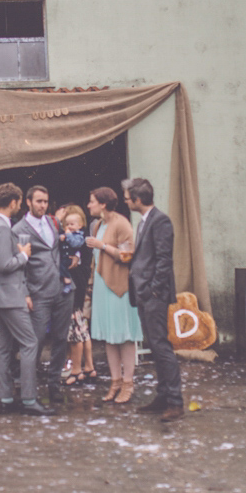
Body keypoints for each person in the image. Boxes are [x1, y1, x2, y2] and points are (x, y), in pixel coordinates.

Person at [0, 182, 52, 416]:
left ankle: (6, 398)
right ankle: (30, 399)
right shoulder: (2, 228)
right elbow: (4, 264)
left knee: (3, 347)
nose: (20, 207)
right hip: (9, 296)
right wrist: (23, 255)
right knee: (30, 343)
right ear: (13, 203)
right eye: (19, 203)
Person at [124, 178, 185, 422]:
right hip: (144, 294)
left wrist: (154, 291)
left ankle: (174, 401)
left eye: (129, 198)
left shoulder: (160, 221)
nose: (127, 202)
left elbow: (163, 259)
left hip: (152, 296)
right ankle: (163, 397)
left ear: (138, 200)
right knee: (156, 347)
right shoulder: (144, 222)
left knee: (161, 346)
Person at [14, 185, 72, 404]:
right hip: (38, 291)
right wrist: (25, 292)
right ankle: (27, 386)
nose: (42, 205)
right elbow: (20, 265)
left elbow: (61, 248)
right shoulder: (19, 228)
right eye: (38, 201)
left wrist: (71, 260)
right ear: (28, 202)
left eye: (45, 202)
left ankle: (54, 384)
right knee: (34, 341)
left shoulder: (52, 222)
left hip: (63, 288)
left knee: (60, 338)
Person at [85, 186, 141, 404]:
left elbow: (128, 255)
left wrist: (103, 246)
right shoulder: (99, 224)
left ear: (103, 204)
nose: (89, 205)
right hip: (101, 285)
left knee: (124, 336)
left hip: (119, 287)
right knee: (109, 336)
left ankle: (128, 382)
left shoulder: (122, 223)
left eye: (92, 201)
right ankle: (115, 381)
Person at [61, 204, 97, 386]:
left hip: (74, 288)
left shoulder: (77, 240)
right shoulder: (82, 240)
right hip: (80, 286)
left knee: (75, 331)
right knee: (83, 330)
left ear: (82, 224)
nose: (70, 227)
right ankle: (89, 366)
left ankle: (76, 370)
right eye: (67, 224)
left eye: (73, 223)